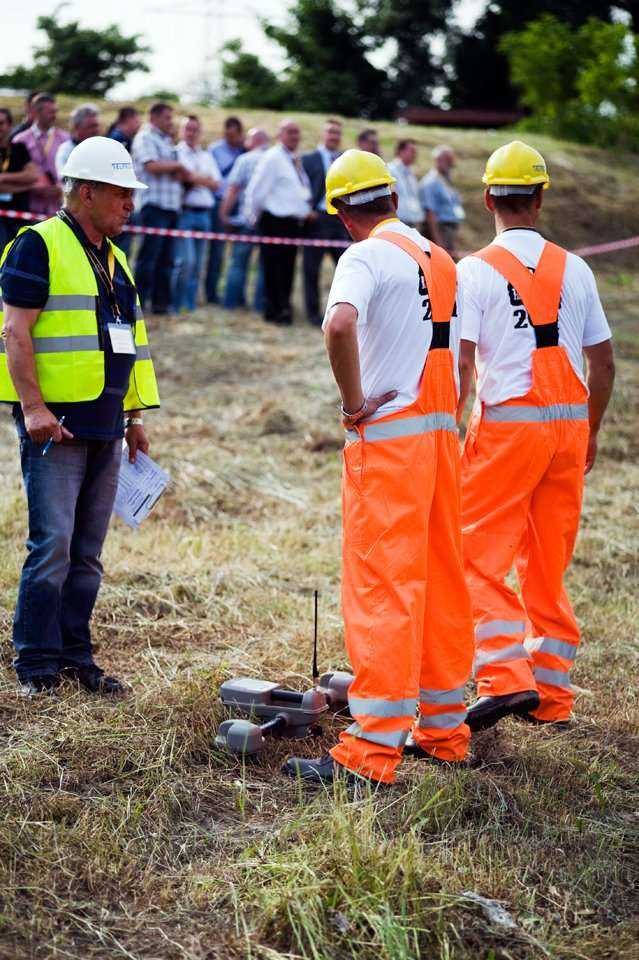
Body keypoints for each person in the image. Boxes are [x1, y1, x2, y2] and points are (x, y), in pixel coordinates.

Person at [284, 150, 474, 785]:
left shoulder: (363, 257)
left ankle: (371, 750)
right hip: (442, 441)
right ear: (393, 198)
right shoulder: (440, 259)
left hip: (390, 443)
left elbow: (339, 326)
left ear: (341, 213)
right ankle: (445, 730)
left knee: (382, 588)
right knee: (443, 579)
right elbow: (461, 358)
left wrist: (353, 402)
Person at [456, 140, 615, 731]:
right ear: (540, 199)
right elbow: (604, 364)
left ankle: (504, 676)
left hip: (508, 432)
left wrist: (452, 431)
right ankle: (551, 695)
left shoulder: (473, 271)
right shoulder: (577, 268)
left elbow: (464, 364)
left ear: (487, 198)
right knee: (547, 564)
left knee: (473, 554)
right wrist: (591, 431)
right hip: (570, 428)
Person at [0, 136, 160, 697]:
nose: (129, 204)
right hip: (56, 426)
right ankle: (36, 663)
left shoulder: (115, 260)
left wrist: (135, 414)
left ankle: (76, 656)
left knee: (87, 555)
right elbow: (14, 332)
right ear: (86, 192)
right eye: (121, 193)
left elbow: (131, 345)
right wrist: (34, 408)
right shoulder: (36, 246)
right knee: (53, 548)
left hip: (106, 425)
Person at [246, 119, 312, 325]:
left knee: (287, 270)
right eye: (290, 132)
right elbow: (257, 190)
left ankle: (283, 309)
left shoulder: (293, 159)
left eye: (297, 132)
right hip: (274, 221)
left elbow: (300, 190)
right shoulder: (273, 158)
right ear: (280, 134)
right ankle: (275, 312)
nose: (295, 136)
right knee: (273, 270)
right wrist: (254, 218)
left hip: (292, 223)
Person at [132, 102, 189, 314]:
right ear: (154, 118)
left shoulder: (167, 142)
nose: (170, 122)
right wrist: (176, 166)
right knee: (149, 258)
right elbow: (152, 166)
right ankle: (139, 304)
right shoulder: (145, 137)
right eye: (166, 118)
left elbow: (179, 173)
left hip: (172, 207)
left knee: (166, 260)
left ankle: (160, 304)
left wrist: (175, 167)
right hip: (153, 206)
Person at [301, 119, 349, 327]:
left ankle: (344, 313)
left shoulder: (344, 160)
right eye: (330, 132)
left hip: (339, 219)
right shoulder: (308, 159)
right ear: (323, 134)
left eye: (337, 133)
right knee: (311, 269)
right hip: (316, 219)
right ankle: (313, 314)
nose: (334, 136)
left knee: (347, 269)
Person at [171, 115, 221, 313]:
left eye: (195, 129)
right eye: (188, 129)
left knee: (198, 264)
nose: (191, 133)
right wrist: (202, 179)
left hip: (205, 214)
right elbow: (183, 177)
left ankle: (189, 306)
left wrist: (195, 179)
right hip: (186, 212)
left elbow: (216, 183)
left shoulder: (206, 155)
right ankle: (175, 304)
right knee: (186, 262)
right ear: (182, 131)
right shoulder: (176, 153)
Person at [219, 127, 269, 311]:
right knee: (264, 267)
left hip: (245, 220)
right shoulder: (274, 160)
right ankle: (259, 306)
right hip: (268, 223)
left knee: (238, 264)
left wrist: (223, 214)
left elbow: (233, 189)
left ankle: (232, 304)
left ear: (255, 140)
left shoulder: (245, 159)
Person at [205, 116, 245, 304]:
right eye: (227, 134)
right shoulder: (214, 149)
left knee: (237, 253)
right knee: (217, 251)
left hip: (238, 205)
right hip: (218, 203)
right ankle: (211, 292)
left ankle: (235, 294)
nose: (231, 138)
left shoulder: (243, 151)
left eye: (234, 134)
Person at [13, 93, 69, 217]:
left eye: (55, 111)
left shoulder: (65, 139)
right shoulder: (20, 140)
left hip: (57, 208)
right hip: (27, 208)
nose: (54, 115)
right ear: (37, 112)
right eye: (50, 112)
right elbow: (14, 171)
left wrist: (60, 188)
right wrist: (33, 186)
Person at [0, 108, 39, 251]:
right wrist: (24, 184)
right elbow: (29, 180)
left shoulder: (19, 148)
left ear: (9, 126)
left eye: (1, 123)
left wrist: (3, 178)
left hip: (20, 216)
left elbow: (33, 176)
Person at [420, 146, 465, 259]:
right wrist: (439, 244)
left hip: (449, 230)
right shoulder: (430, 182)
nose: (451, 164)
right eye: (448, 160)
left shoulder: (446, 180)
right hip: (440, 230)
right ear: (438, 160)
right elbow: (430, 213)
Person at [55, 104, 101, 178]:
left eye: (97, 125)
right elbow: (65, 180)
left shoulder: (101, 149)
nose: (96, 130)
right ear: (77, 127)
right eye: (91, 126)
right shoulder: (66, 150)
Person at [388, 139, 423, 230]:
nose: (415, 154)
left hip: (412, 222)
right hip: (399, 222)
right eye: (412, 151)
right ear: (400, 151)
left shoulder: (411, 174)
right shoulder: (391, 170)